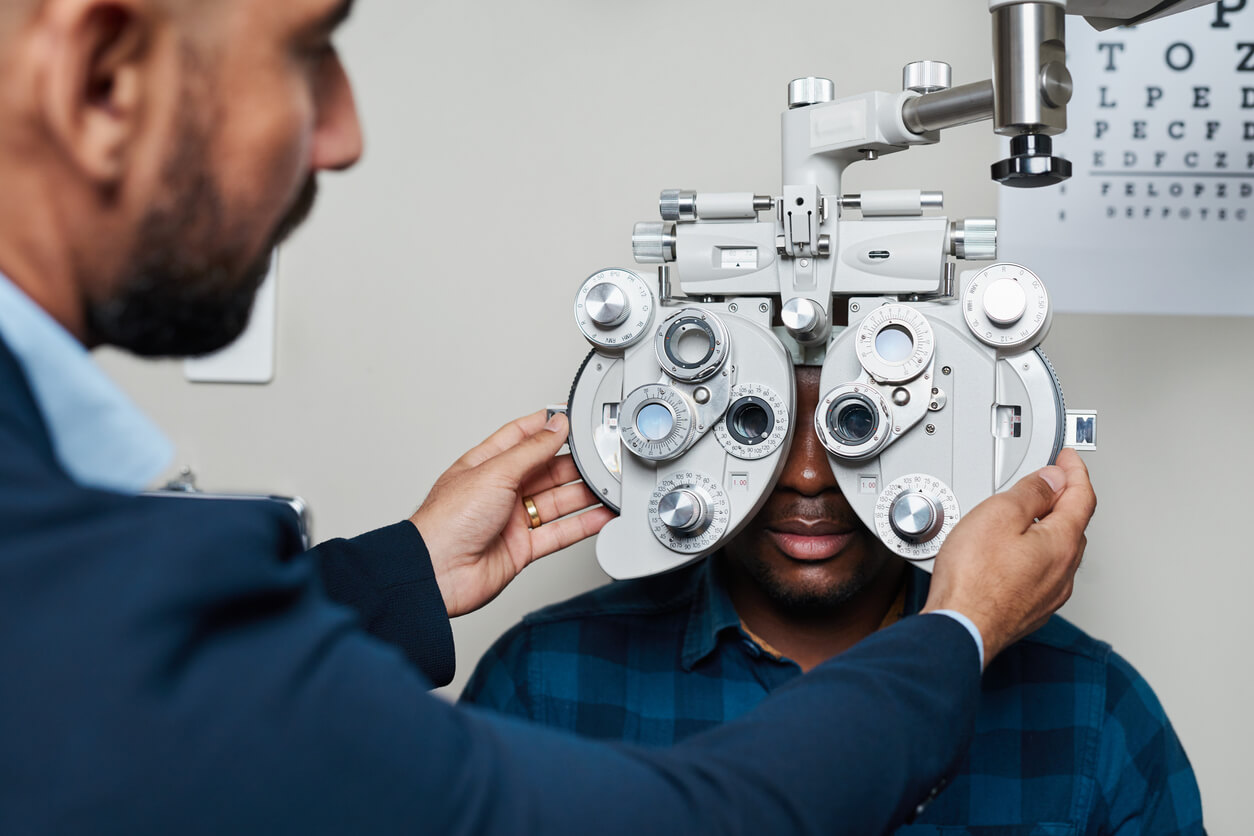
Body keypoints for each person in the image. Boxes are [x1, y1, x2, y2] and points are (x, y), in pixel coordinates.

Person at [0, 0, 1097, 833]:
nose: (342, 135)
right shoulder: (87, 579)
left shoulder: (64, 565)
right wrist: (956, 631)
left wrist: (405, 571)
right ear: (99, 74)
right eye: (306, 50)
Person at [463, 366, 1204, 834]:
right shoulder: (546, 682)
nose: (811, 476)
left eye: (856, 424)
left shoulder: (1091, 709)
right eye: (761, 426)